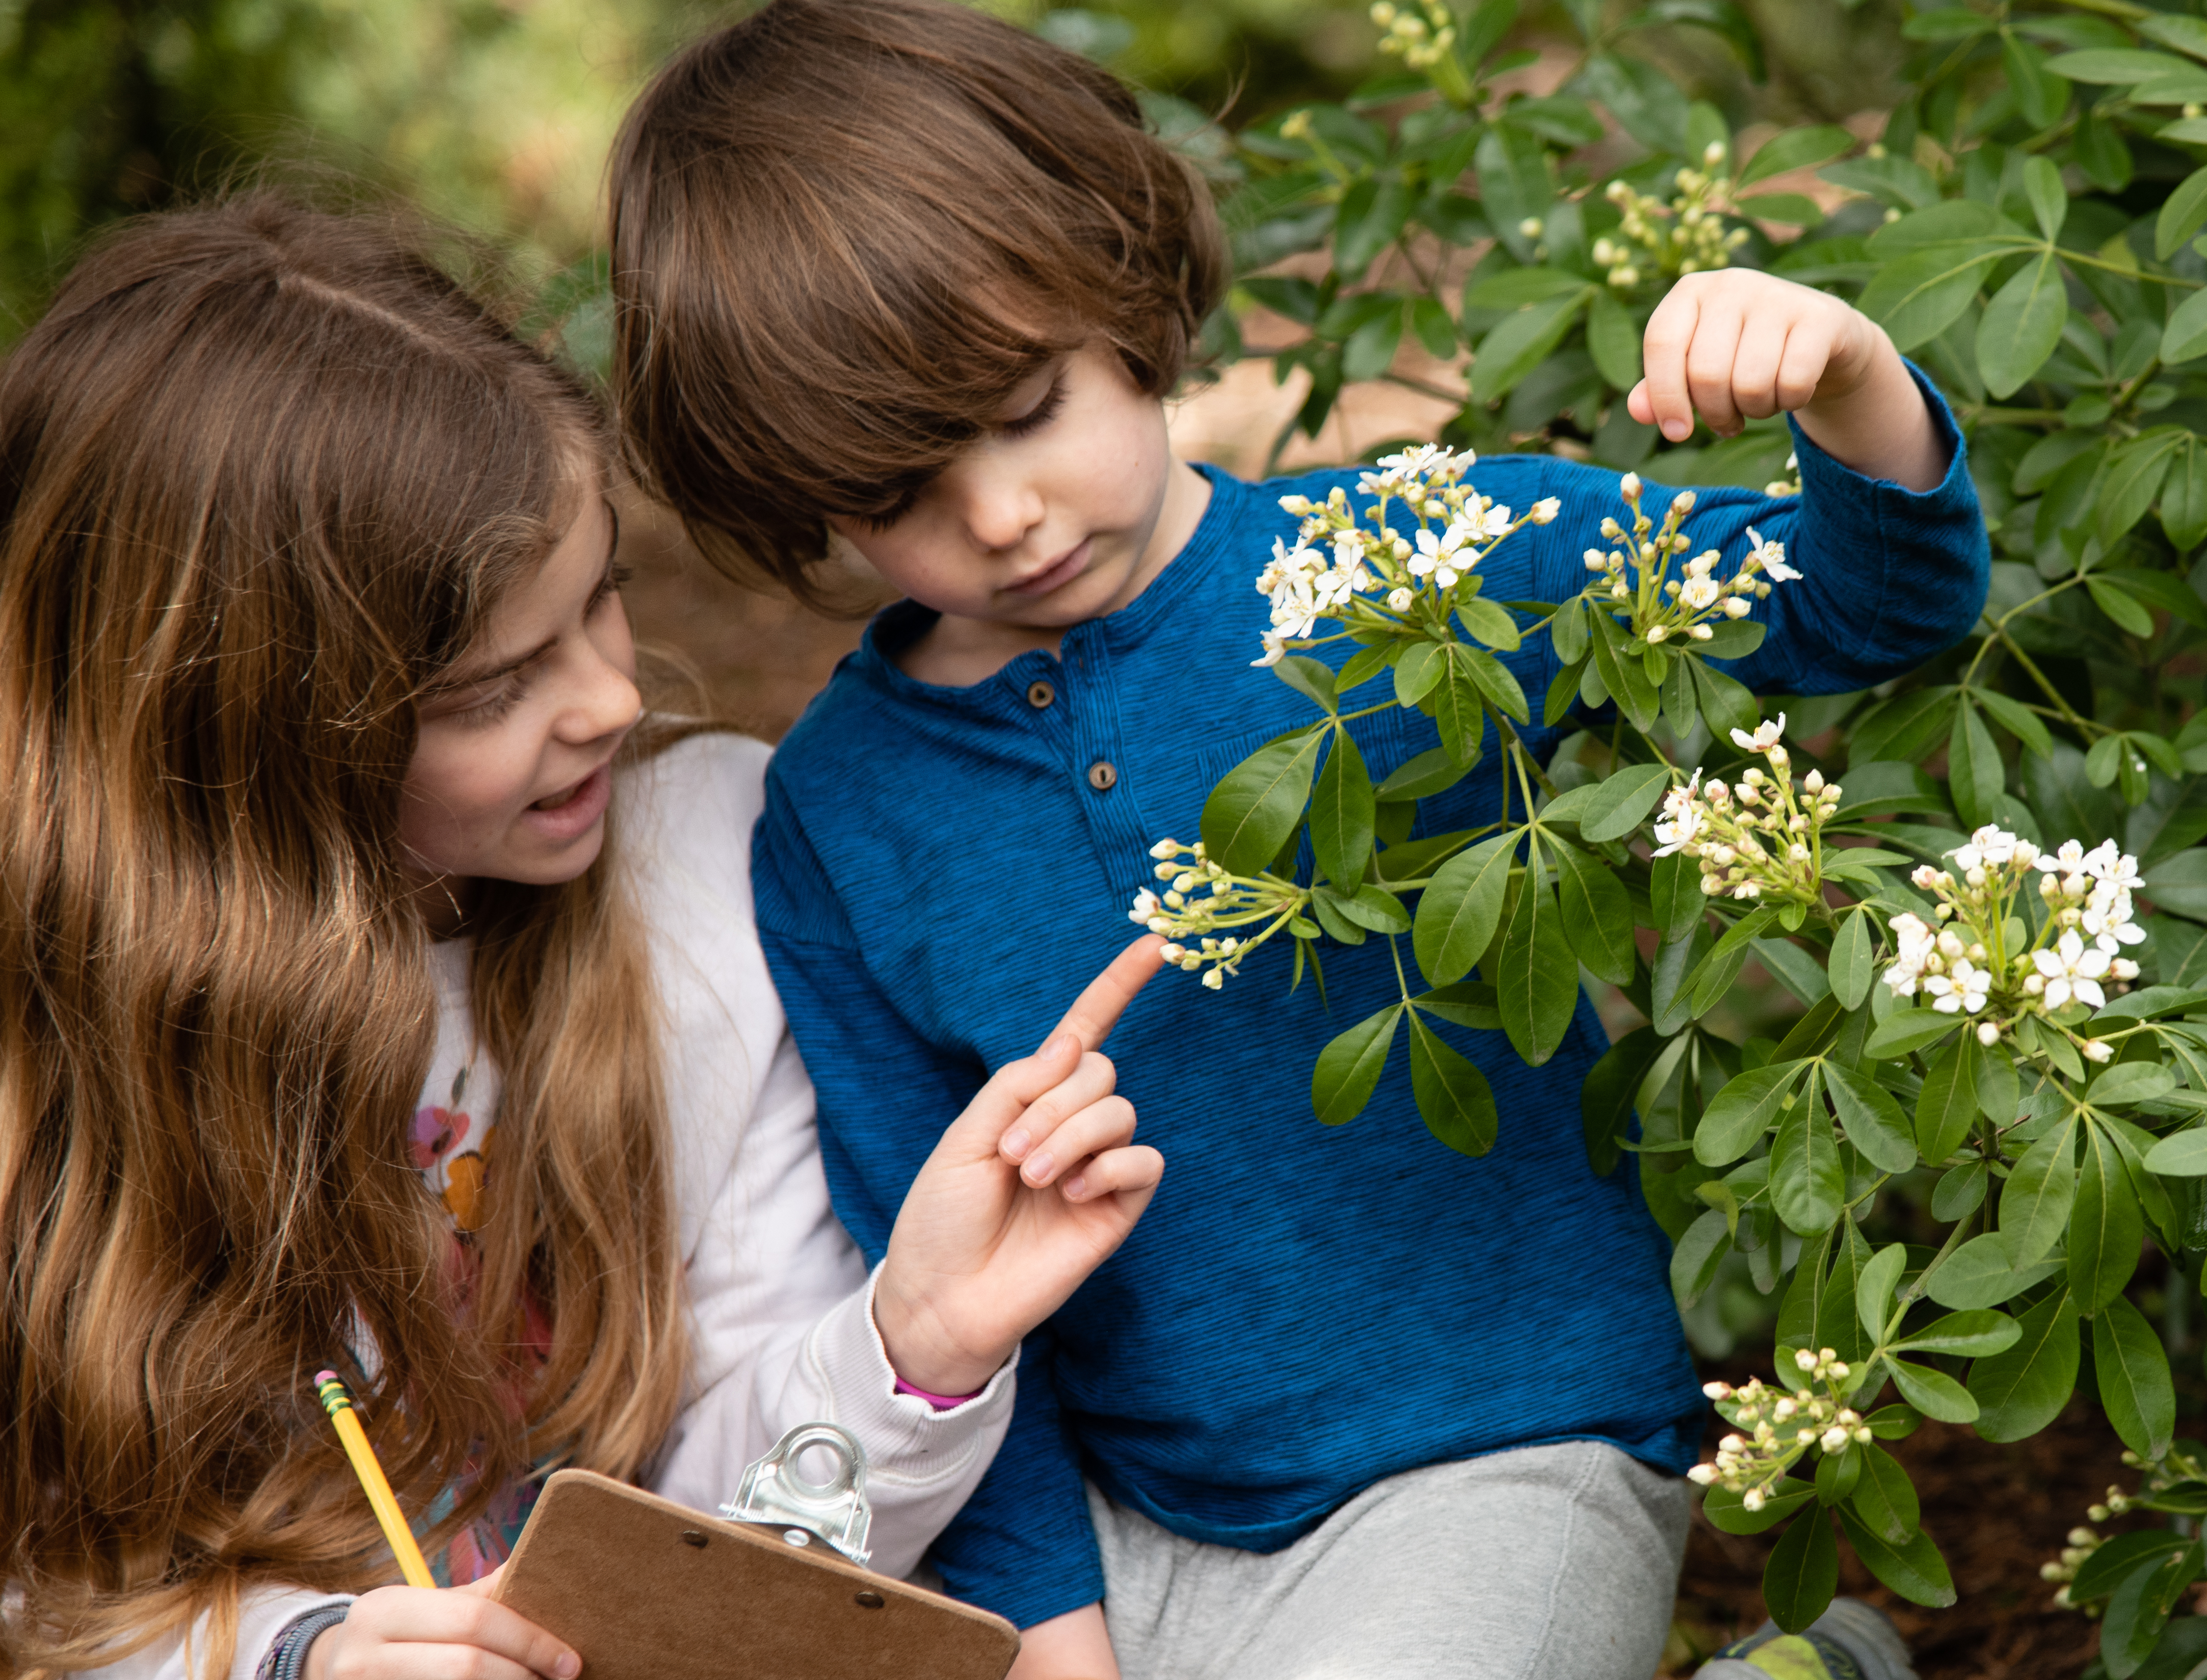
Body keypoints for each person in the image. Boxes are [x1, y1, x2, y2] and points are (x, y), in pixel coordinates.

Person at [604, 4, 1989, 1674]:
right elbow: (949, 1278)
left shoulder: (1414, 558)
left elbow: (1869, 603)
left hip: (1492, 1456)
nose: (999, 516)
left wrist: (1844, 375)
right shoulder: (836, 808)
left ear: (1120, 289)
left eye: (1028, 405)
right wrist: (1055, 1636)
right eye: (896, 492)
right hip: (1115, 1532)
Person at [0, 195, 1169, 1680]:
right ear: (241, 745)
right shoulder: (50, 1047)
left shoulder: (705, 870)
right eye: (492, 688)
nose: (610, 701)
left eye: (601, 593)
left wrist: (911, 1345)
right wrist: (295, 1660)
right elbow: (41, 1595)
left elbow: (738, 1561)